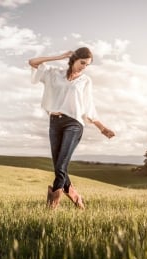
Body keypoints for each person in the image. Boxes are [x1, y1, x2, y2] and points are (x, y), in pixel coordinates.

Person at [29, 47, 115, 209]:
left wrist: (102, 128)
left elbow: (88, 106)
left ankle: (51, 207)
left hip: (73, 124)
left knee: (61, 166)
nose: (84, 66)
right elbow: (33, 62)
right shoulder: (54, 73)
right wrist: (59, 56)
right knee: (58, 167)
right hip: (54, 122)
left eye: (87, 65)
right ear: (73, 59)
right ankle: (76, 198)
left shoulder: (85, 81)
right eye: (82, 62)